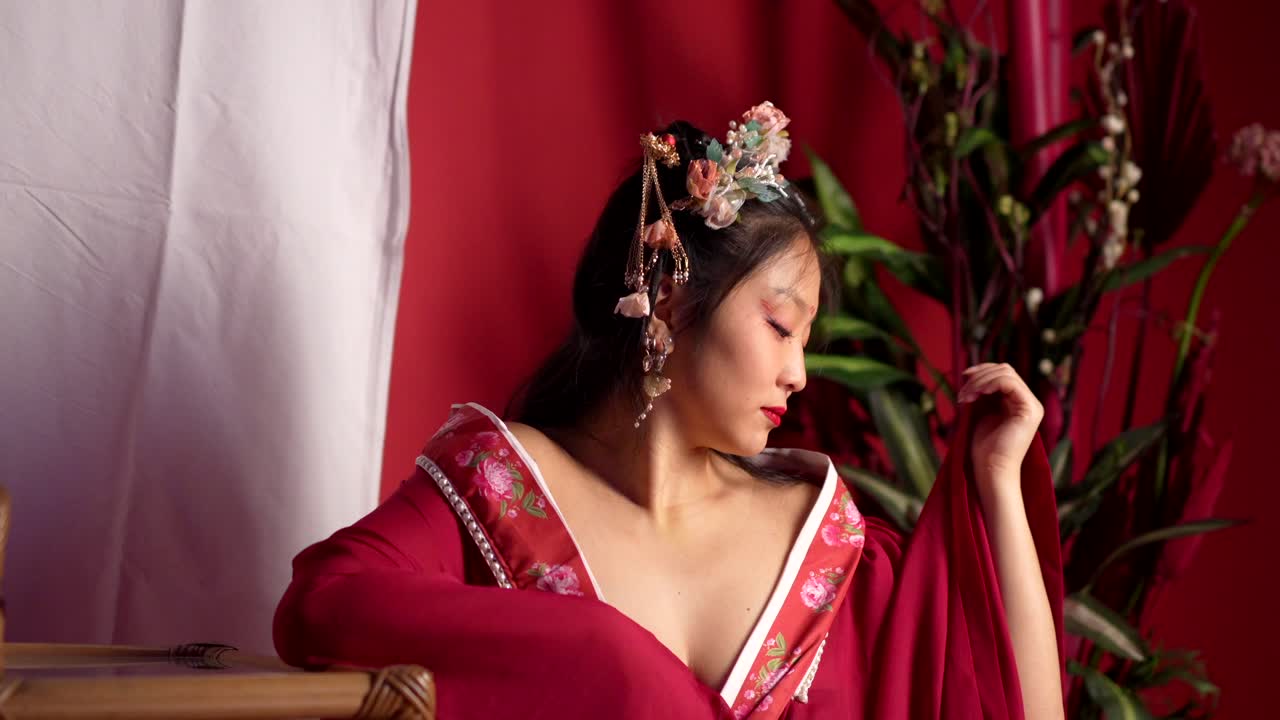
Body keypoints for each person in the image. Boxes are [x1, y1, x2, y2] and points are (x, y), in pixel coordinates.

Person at [273, 102, 1065, 719]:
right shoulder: (501, 485)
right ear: (671, 296)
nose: (798, 373)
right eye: (781, 324)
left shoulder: (824, 543)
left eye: (806, 341)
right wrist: (615, 665)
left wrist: (998, 480)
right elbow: (323, 604)